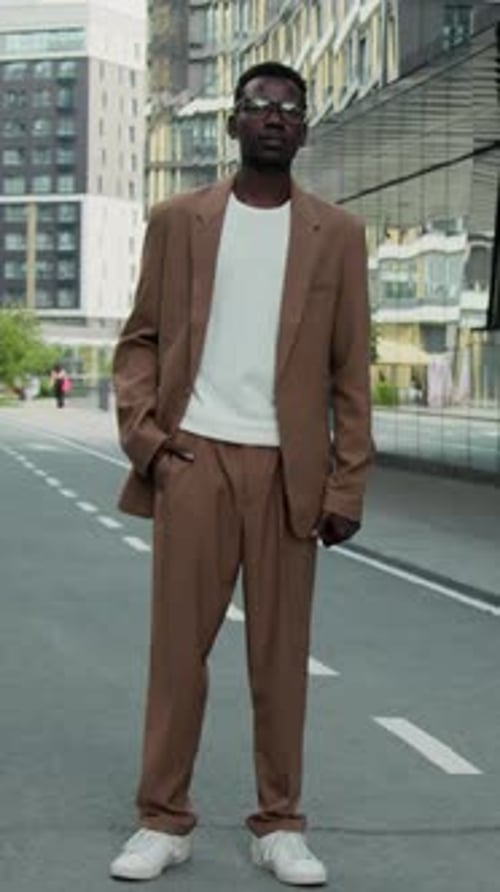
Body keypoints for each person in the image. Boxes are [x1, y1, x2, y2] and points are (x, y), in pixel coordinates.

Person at [111, 61, 372, 887]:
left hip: (290, 468)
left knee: (280, 655)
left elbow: (351, 376)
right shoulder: (178, 221)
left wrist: (346, 484)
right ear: (233, 124)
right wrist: (150, 441)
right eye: (258, 106)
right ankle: (163, 818)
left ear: (303, 129)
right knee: (177, 653)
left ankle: (280, 823)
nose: (273, 118)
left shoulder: (339, 234)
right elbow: (140, 339)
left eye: (289, 108)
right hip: (194, 458)